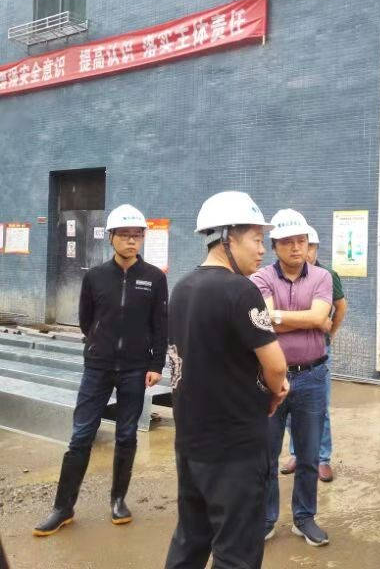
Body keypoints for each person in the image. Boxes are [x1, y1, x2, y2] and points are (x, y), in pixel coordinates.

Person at [164, 191, 289, 569]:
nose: (263, 249)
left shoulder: (182, 288)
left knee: (190, 540)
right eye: (256, 239)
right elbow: (276, 367)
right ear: (227, 237)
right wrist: (275, 392)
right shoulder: (241, 290)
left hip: (191, 444)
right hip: (235, 449)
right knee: (237, 553)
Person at [33, 204, 168, 537]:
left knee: (126, 435)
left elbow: (161, 324)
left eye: (137, 235)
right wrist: (99, 343)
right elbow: (85, 319)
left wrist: (155, 364)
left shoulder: (154, 278)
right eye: (125, 235)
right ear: (111, 238)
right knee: (81, 435)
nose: (131, 241)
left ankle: (118, 500)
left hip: (136, 369)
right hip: (98, 366)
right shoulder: (95, 277)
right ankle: (63, 507)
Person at [251, 209, 333, 547]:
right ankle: (266, 519)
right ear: (275, 246)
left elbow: (318, 315)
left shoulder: (322, 277)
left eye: (301, 240)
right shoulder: (260, 278)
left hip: (312, 376)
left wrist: (280, 317)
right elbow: (265, 322)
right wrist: (309, 319)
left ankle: (304, 517)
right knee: (266, 455)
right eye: (287, 242)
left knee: (309, 454)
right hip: (270, 378)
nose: (296, 247)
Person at [281, 225, 348, 482]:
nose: (303, 251)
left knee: (319, 407)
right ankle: (297, 452)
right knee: (289, 404)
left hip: (317, 351)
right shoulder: (283, 276)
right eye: (296, 244)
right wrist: (309, 320)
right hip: (288, 351)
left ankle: (322, 458)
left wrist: (329, 332)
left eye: (308, 246)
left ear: (315, 248)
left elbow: (340, 307)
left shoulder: (327, 275)